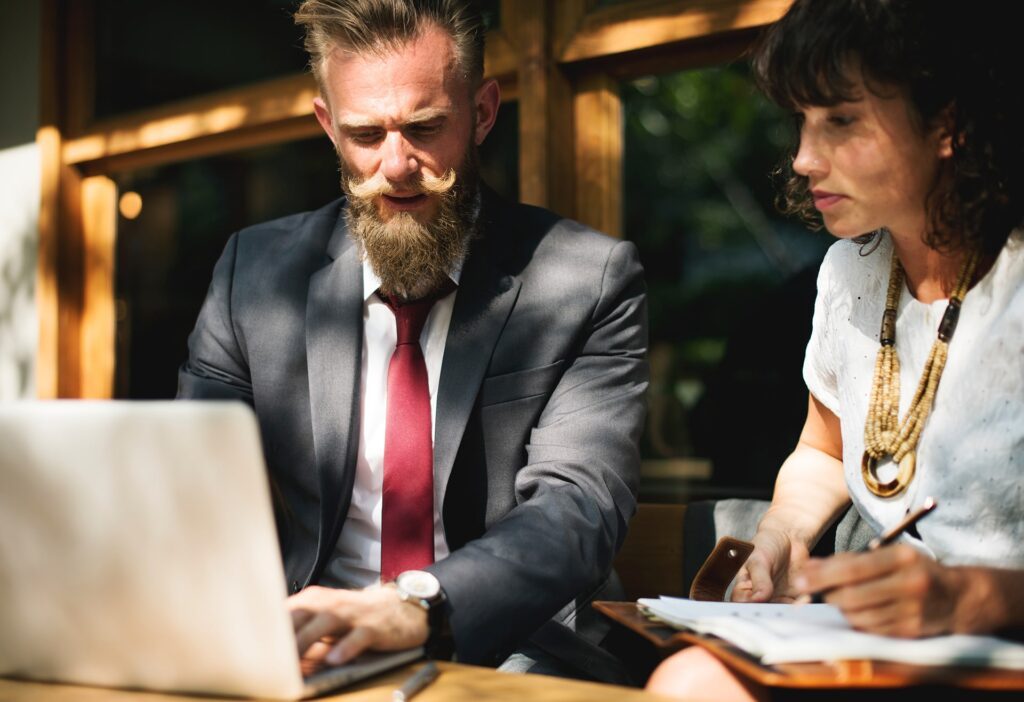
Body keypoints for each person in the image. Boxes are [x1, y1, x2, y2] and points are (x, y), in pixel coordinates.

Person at [177, 0, 647, 684]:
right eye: (365, 135)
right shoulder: (253, 274)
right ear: (326, 126)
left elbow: (576, 509)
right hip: (310, 644)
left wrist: (412, 605)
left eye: (424, 128)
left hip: (514, 645)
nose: (396, 165)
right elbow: (194, 487)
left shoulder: (587, 279)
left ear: (483, 112)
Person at [646, 0, 1024, 698]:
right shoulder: (850, 270)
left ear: (949, 120)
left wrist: (970, 596)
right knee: (688, 681)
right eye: (801, 121)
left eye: (841, 121)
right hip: (871, 650)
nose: (802, 157)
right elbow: (822, 451)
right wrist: (780, 535)